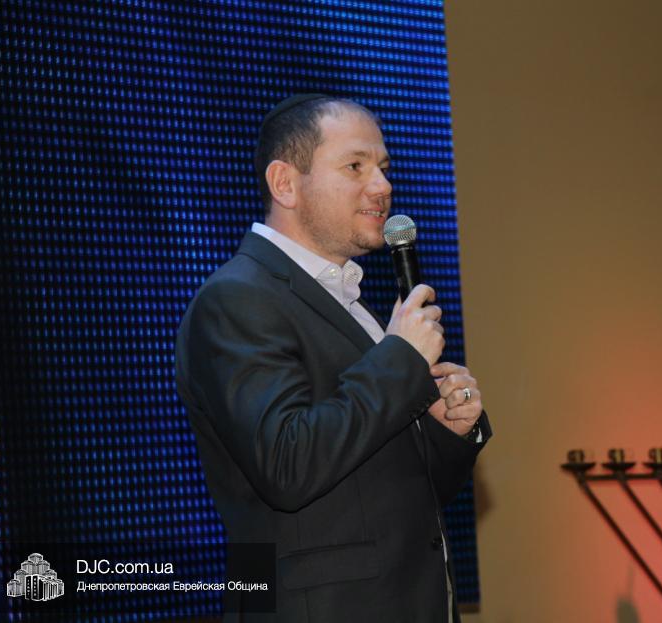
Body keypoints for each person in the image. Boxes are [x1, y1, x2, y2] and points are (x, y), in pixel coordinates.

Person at [175, 93, 491, 622]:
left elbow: (385, 494)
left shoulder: (352, 305)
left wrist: (447, 432)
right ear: (285, 183)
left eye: (384, 168)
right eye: (355, 166)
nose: (383, 186)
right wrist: (400, 361)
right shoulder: (236, 299)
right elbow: (287, 465)